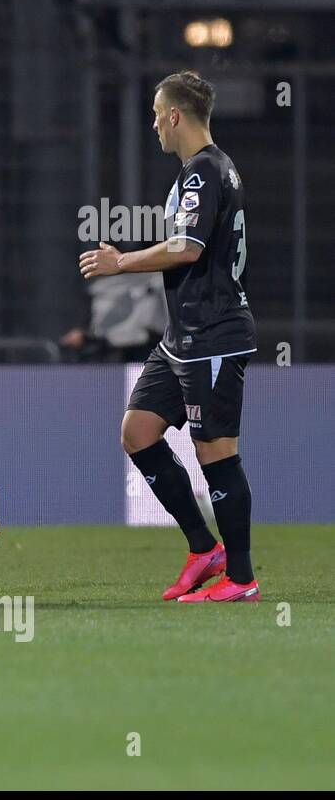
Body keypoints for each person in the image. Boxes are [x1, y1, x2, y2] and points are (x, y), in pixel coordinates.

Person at [80, 70, 259, 603]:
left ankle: (242, 578)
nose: (153, 122)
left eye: (158, 112)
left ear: (175, 115)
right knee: (137, 431)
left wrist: (121, 262)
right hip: (182, 336)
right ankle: (205, 549)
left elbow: (186, 247)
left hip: (214, 334)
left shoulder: (204, 172)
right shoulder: (202, 171)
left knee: (217, 453)